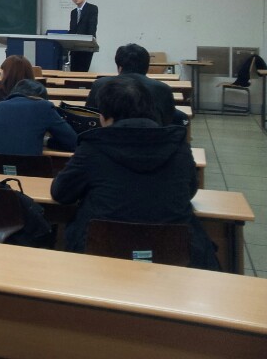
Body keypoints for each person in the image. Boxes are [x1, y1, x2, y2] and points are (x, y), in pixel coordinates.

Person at [51, 75, 219, 270]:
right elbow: (190, 190)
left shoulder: (93, 147)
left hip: (100, 253)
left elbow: (61, 193)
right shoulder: (178, 144)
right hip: (174, 255)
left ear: (105, 116)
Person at [0, 79, 77, 168]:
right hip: (30, 171)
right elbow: (72, 142)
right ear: (40, 98)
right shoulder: (44, 107)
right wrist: (46, 141)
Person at [86, 43, 186, 126]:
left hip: (107, 139)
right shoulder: (163, 88)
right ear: (147, 67)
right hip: (153, 140)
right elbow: (168, 121)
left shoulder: (100, 84)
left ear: (119, 67)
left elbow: (89, 115)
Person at [68, 0, 99, 71]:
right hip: (74, 47)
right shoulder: (73, 12)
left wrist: (90, 42)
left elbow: (92, 27)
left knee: (82, 71)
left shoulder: (92, 8)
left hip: (86, 46)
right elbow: (72, 29)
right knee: (73, 72)